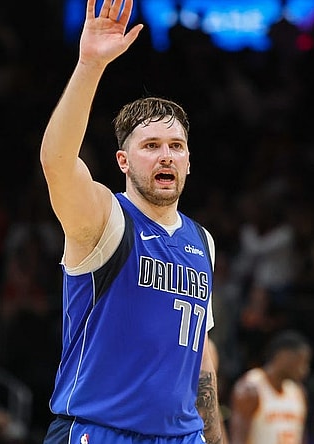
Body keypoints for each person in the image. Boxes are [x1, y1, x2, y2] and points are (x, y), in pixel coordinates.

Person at [38, 0, 227, 443]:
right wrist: (89, 66)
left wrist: (215, 437)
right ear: (123, 161)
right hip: (102, 430)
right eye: (151, 145)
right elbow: (57, 163)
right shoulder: (105, 218)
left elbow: (200, 360)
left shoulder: (203, 240)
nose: (166, 155)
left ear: (188, 162)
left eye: (176, 146)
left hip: (183, 436)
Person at [228, 330, 313, 444]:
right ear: (284, 356)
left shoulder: (298, 392)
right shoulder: (251, 388)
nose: (305, 369)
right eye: (302, 362)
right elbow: (238, 439)